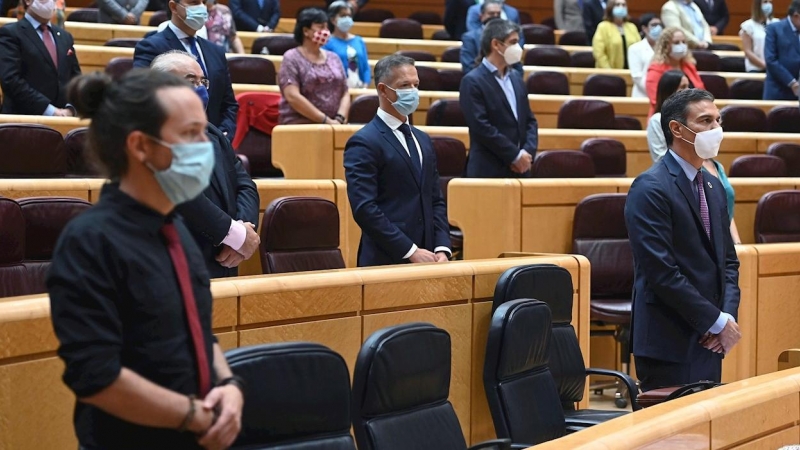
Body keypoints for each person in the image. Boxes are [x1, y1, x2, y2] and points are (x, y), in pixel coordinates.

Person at [47, 69, 245, 450]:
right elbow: (96, 376)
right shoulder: (90, 241)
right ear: (140, 146)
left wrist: (229, 387)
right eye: (190, 134)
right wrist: (193, 416)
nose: (205, 145)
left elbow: (198, 331)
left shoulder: (176, 229)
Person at [625, 88, 741, 392]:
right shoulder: (650, 187)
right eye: (705, 121)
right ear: (677, 128)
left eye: (718, 120)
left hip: (711, 339)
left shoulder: (714, 187)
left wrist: (726, 319)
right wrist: (715, 322)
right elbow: (662, 273)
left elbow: (728, 261)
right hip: (669, 338)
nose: (716, 129)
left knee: (706, 438)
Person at [151, 50, 260, 278]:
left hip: (224, 259)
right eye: (191, 81)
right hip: (172, 264)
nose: (200, 88)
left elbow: (244, 184)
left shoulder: (212, 132)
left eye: (203, 82)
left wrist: (243, 230)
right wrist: (236, 235)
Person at [343, 54, 451, 267]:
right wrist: (410, 250)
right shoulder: (363, 142)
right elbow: (365, 208)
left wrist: (442, 247)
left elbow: (434, 199)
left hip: (430, 258)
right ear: (383, 90)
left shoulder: (423, 139)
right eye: (404, 85)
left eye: (416, 84)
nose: (413, 91)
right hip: (386, 260)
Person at [133, 0, 239, 139]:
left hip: (216, 143)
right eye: (194, 2)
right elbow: (144, 98)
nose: (201, 7)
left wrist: (222, 136)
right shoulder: (150, 47)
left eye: (203, 2)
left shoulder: (216, 51)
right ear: (173, 7)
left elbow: (229, 104)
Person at [460, 19, 538, 178]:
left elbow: (529, 120)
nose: (518, 48)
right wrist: (514, 156)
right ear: (496, 44)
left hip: (520, 170)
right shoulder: (472, 81)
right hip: (488, 170)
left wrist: (526, 153)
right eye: (513, 42)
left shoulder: (517, 78)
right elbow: (481, 127)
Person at [0, 0, 81, 116]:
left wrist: (71, 108)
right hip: (23, 121)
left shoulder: (65, 36)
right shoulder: (10, 33)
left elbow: (76, 78)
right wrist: (51, 111)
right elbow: (11, 80)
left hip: (64, 120)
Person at [278, 8, 349, 125]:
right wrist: (325, 120)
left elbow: (345, 91)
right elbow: (292, 96)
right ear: (306, 31)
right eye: (321, 27)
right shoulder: (291, 57)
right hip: (300, 125)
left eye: (327, 27)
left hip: (335, 125)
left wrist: (339, 119)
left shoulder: (334, 57)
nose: (326, 31)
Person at [645, 27, 705, 116]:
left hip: (693, 116)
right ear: (665, 46)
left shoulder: (689, 65)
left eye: (684, 42)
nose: (681, 45)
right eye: (676, 43)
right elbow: (656, 101)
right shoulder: (655, 70)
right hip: (666, 117)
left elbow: (701, 90)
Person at [323, 1, 370, 88]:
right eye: (343, 16)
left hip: (360, 88)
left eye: (349, 16)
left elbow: (366, 67)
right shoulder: (327, 42)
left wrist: (365, 86)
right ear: (333, 20)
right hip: (337, 90)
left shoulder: (358, 40)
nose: (347, 19)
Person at [647, 69, 689, 162]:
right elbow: (660, 157)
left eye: (688, 86)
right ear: (670, 91)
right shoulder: (657, 120)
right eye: (683, 87)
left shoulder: (691, 118)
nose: (688, 91)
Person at [763, 0, 800, 100]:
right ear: (796, 16)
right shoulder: (774, 29)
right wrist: (792, 82)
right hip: (778, 91)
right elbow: (770, 60)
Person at [591, 0, 641, 69]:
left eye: (623, 5)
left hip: (631, 72)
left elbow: (639, 49)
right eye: (617, 5)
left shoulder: (632, 27)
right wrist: (609, 71)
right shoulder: (603, 27)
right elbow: (599, 53)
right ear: (611, 8)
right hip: (608, 73)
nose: (621, 7)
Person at [460, 0, 502, 73]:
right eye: (491, 14)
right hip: (480, 81)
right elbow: (468, 66)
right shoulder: (470, 37)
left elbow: (516, 65)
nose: (495, 17)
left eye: (498, 14)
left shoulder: (507, 36)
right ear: (481, 16)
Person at [628, 13, 662, 98]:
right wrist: (653, 89)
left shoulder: (665, 48)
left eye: (659, 25)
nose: (658, 28)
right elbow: (637, 77)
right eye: (654, 25)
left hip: (662, 94)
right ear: (644, 28)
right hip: (642, 95)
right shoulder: (635, 48)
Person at [740, 0, 778, 73]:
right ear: (757, 5)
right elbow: (748, 51)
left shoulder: (776, 23)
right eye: (765, 2)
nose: (769, 5)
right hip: (755, 68)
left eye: (770, 2)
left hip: (775, 68)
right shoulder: (748, 26)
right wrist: (764, 65)